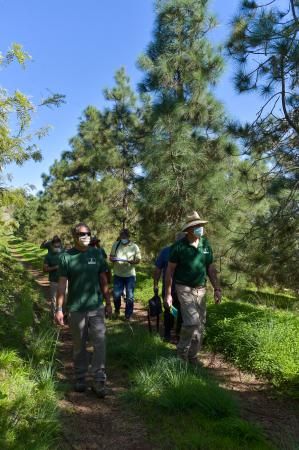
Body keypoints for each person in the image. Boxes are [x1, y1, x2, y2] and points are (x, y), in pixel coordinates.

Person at [55, 222, 112, 397]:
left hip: (96, 306)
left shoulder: (97, 254)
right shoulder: (66, 257)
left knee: (100, 343)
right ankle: (80, 378)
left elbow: (103, 279)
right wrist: (59, 308)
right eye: (81, 234)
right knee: (80, 345)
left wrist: (108, 302)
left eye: (88, 233)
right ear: (74, 236)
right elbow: (62, 284)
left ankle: (98, 379)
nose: (85, 236)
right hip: (76, 308)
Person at [165, 211, 222, 364]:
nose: (201, 228)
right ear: (189, 229)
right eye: (198, 226)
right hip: (183, 288)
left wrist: (217, 288)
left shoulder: (205, 244)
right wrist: (168, 293)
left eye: (202, 226)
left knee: (200, 325)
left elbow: (210, 267)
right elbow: (170, 270)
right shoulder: (179, 247)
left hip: (201, 289)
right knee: (191, 322)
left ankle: (193, 356)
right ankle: (181, 353)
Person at [153, 233, 184, 342]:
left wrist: (155, 284)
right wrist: (155, 284)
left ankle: (172, 334)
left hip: (180, 288)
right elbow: (157, 269)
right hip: (171, 287)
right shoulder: (166, 251)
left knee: (173, 310)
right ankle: (172, 334)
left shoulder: (166, 251)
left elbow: (157, 269)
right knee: (173, 310)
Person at [109, 229, 141, 320]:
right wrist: (113, 259)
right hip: (118, 274)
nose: (123, 239)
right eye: (121, 237)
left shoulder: (134, 246)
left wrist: (133, 261)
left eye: (124, 237)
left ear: (128, 237)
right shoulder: (116, 244)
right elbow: (111, 257)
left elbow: (138, 259)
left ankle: (128, 315)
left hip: (130, 275)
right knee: (116, 295)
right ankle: (117, 310)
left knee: (130, 296)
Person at [43, 237, 63, 318]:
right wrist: (55, 267)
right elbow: (44, 269)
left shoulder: (65, 253)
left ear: (60, 244)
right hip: (54, 281)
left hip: (64, 281)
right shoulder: (48, 256)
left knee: (64, 299)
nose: (57, 248)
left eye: (58, 246)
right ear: (52, 245)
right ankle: (54, 317)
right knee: (54, 300)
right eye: (55, 246)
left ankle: (64, 316)